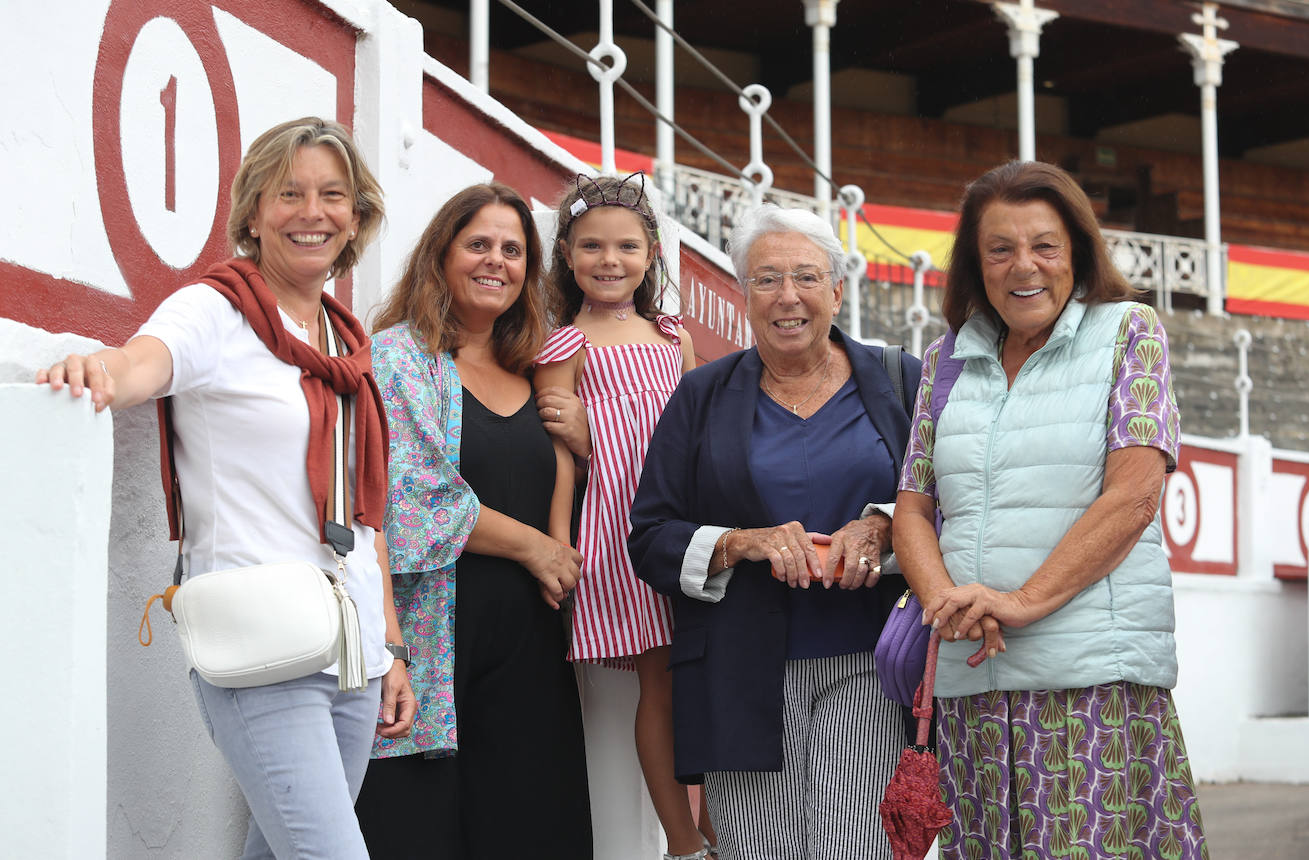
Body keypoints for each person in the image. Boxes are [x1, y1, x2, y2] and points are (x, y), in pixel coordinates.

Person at [37, 117, 412, 859]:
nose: (313, 213)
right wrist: (97, 371)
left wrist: (392, 648)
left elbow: (366, 514)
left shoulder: (345, 344)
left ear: (358, 215)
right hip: (264, 647)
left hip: (353, 656)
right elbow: (146, 361)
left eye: (333, 195)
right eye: (289, 193)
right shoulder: (216, 310)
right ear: (252, 213)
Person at [890, 160, 1207, 858]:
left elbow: (1133, 496)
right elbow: (912, 507)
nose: (1022, 266)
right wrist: (947, 602)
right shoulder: (946, 360)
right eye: (999, 249)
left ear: (1077, 254)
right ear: (976, 265)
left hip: (1090, 685)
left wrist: (1022, 602)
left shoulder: (1130, 331)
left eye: (1045, 246)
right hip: (972, 688)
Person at [628, 203, 921, 859]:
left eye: (807, 277)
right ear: (742, 293)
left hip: (871, 661)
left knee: (858, 849)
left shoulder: (902, 381)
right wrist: (742, 542)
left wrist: (880, 525)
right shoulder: (701, 395)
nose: (788, 296)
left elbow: (947, 503)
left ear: (839, 290)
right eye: (766, 279)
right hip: (739, 670)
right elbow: (649, 536)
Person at [355, 182, 593, 859]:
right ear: (442, 254)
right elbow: (405, 500)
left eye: (513, 250)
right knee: (420, 831)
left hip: (531, 649)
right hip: (436, 647)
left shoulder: (536, 373)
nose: (497, 261)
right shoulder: (398, 359)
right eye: (479, 244)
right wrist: (534, 549)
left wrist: (584, 446)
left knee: (531, 828)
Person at [533, 172, 711, 860]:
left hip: (685, 520)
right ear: (568, 255)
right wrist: (557, 543)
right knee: (660, 679)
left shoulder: (676, 339)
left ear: (652, 251)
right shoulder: (562, 346)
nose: (610, 261)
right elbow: (560, 457)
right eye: (592, 247)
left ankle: (716, 825)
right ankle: (682, 840)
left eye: (627, 246)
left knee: (698, 671)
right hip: (617, 528)